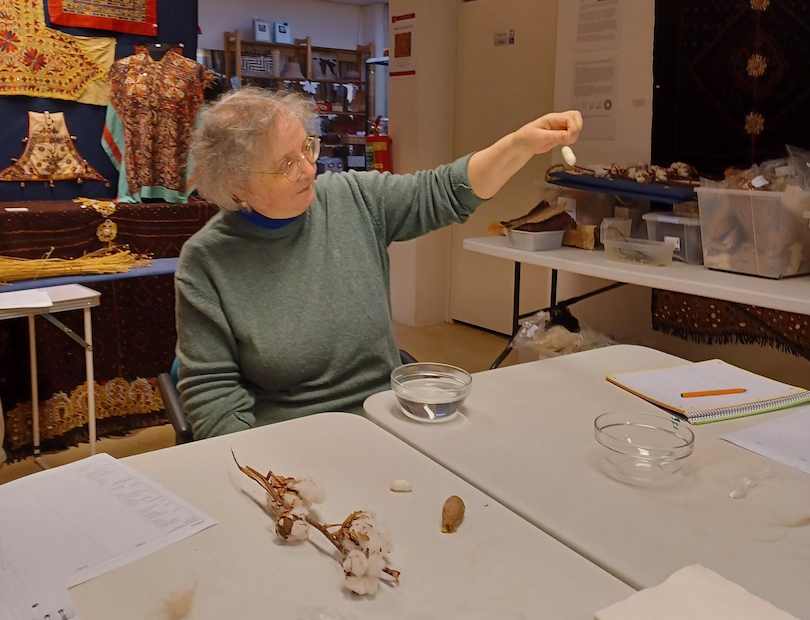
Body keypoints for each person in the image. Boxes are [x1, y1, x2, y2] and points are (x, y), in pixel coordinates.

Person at [176, 88, 582, 439]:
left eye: (306, 148)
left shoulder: (353, 198)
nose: (309, 169)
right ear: (236, 185)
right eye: (286, 165)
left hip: (388, 422)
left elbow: (443, 191)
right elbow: (213, 397)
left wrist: (519, 145)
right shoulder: (208, 261)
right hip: (292, 438)